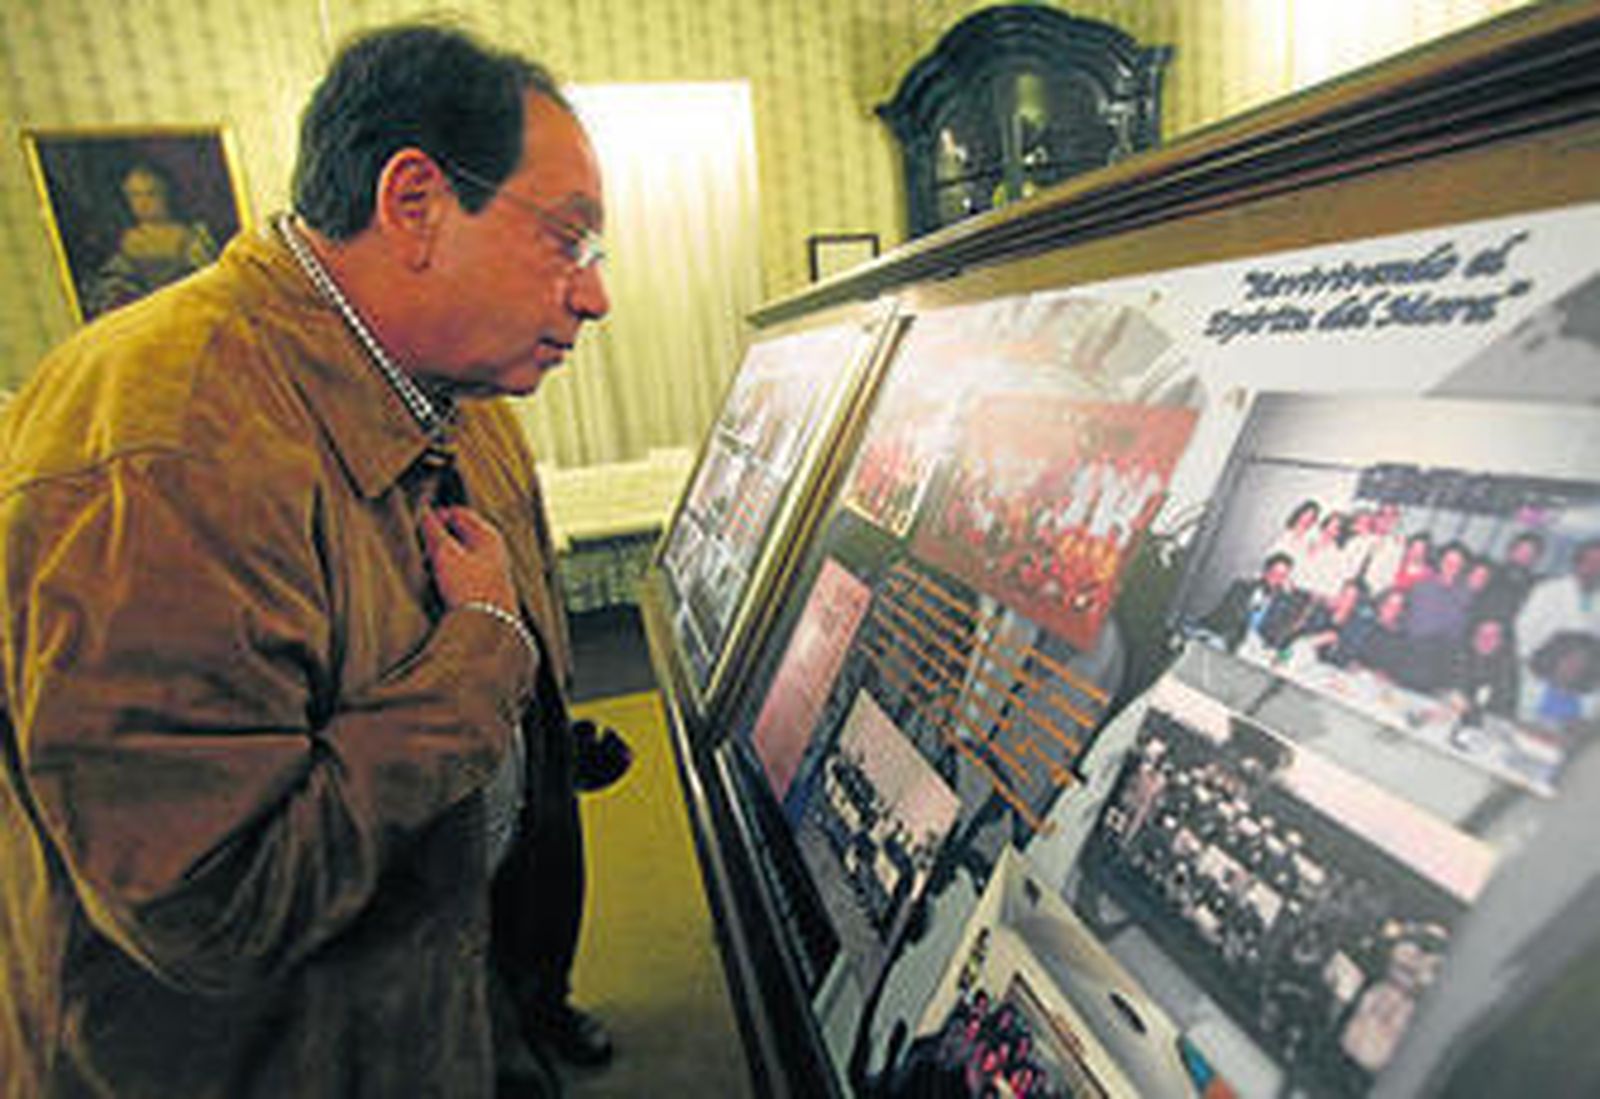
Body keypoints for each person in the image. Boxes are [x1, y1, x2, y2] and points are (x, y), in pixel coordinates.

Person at [0, 24, 629, 1098]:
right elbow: (216, 906)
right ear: (415, 202)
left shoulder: (467, 394)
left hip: (444, 1003)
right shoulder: (163, 449)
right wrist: (480, 658)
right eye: (567, 240)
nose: (594, 295)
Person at [87, 160, 220, 317]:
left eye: (150, 194)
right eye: (135, 195)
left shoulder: (191, 234)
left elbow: (210, 277)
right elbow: (112, 284)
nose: (143, 203)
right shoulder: (127, 240)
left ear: (166, 194)